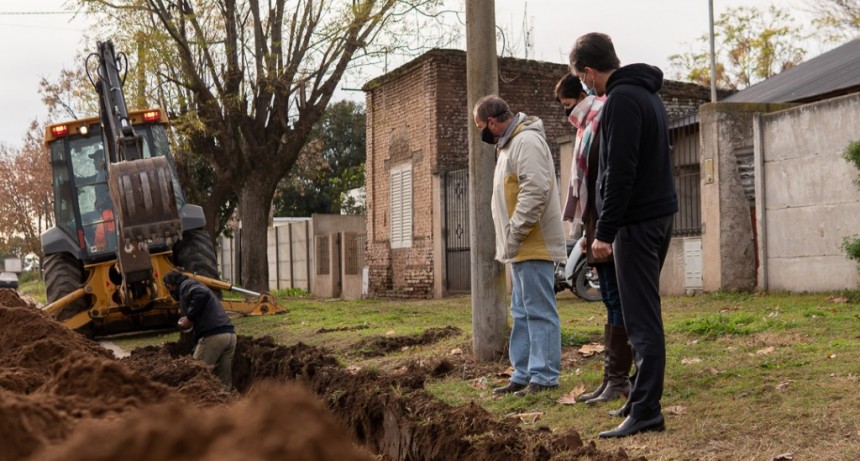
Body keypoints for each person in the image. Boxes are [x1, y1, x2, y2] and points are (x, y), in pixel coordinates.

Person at [569, 32, 678, 438]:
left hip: (636, 223)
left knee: (641, 319)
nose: (585, 84)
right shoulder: (647, 95)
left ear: (590, 71)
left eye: (582, 77)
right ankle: (637, 399)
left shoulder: (621, 101)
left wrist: (606, 231)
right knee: (639, 314)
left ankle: (647, 408)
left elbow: (620, 172)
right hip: (657, 216)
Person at [473, 95, 567, 397]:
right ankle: (524, 373)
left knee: (539, 311)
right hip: (518, 247)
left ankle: (545, 376)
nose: (482, 133)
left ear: (491, 122)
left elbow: (536, 190)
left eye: (480, 127)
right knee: (523, 312)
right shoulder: (509, 146)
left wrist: (515, 232)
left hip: (532, 243)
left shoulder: (526, 142)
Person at [555, 74, 634, 405]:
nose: (567, 114)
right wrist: (588, 232)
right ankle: (611, 378)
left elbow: (607, 180)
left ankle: (618, 379)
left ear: (582, 95)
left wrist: (602, 231)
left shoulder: (600, 120)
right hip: (595, 225)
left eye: (568, 106)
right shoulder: (585, 128)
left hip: (607, 226)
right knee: (610, 301)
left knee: (619, 301)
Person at [163, 271, 237, 391]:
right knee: (223, 384)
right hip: (229, 335)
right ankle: (226, 407)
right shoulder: (195, 284)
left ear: (169, 286)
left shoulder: (186, 286)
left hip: (213, 336)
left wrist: (189, 317)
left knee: (195, 376)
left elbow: (201, 294)